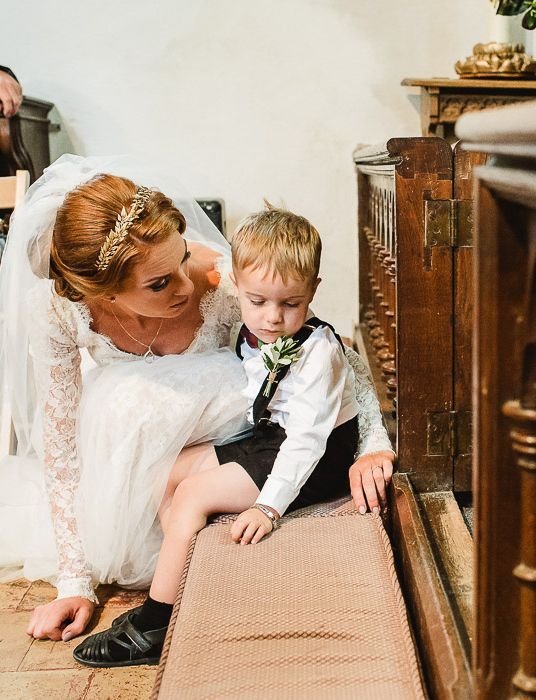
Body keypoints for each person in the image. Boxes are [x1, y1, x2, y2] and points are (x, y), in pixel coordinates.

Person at [0, 155, 394, 644]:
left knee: (184, 481)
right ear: (100, 294)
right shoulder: (58, 310)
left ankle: (165, 617)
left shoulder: (223, 281)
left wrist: (372, 442)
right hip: (149, 452)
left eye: (182, 255)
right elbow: (60, 443)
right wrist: (74, 582)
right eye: (160, 284)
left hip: (263, 426)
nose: (188, 285)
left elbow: (331, 356)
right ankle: (188, 582)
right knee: (123, 408)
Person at [74, 205, 362, 666]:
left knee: (191, 495)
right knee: (165, 472)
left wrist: (269, 506)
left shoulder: (319, 351)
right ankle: (196, 587)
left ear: (313, 292)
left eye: (290, 304)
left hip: (314, 457)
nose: (271, 318)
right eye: (257, 301)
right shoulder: (255, 327)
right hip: (271, 437)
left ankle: (156, 622)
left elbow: (308, 440)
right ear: (238, 288)